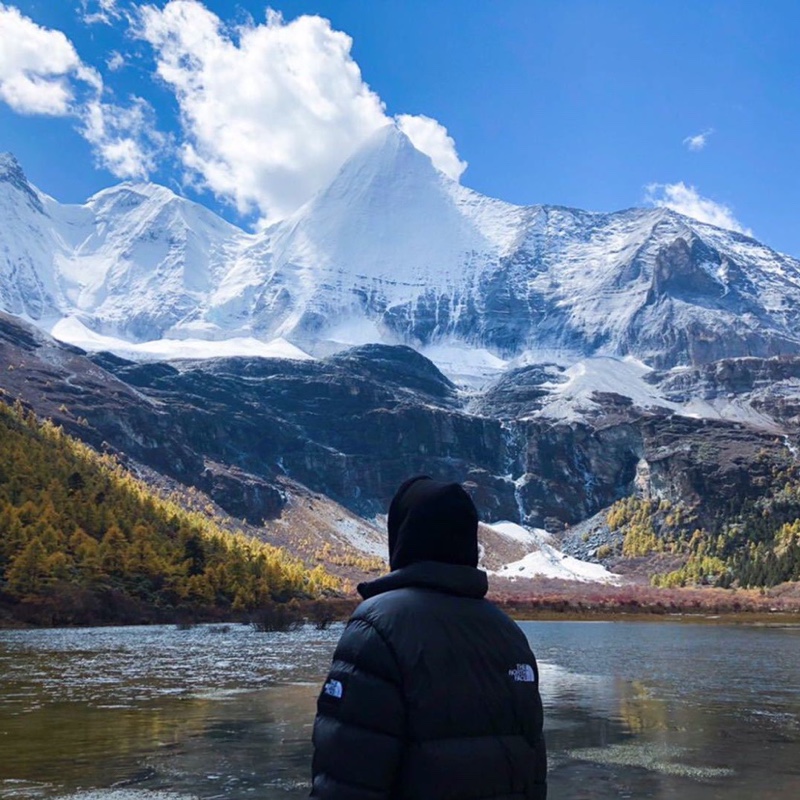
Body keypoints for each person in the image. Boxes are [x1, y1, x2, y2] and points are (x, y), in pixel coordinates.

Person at [310, 475, 547, 799]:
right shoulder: (510, 634)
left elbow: (345, 777)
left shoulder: (377, 626)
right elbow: (534, 774)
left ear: (403, 538)